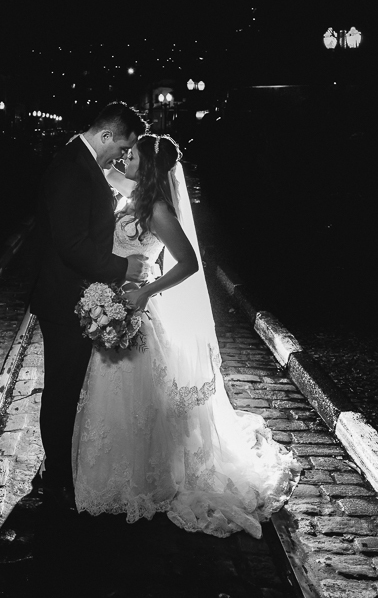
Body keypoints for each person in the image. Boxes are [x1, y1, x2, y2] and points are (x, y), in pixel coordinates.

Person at [71, 133, 301, 538]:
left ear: (150, 165)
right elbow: (101, 169)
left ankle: (144, 480)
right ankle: (106, 476)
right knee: (110, 392)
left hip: (137, 308)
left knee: (139, 397)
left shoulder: (157, 208)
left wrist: (145, 290)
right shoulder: (132, 193)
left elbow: (190, 263)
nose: (125, 156)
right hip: (114, 300)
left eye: (133, 153)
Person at [29, 102, 150, 510]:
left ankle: (64, 466)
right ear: (105, 136)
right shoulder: (70, 168)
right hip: (64, 297)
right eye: (121, 147)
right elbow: (71, 244)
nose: (120, 157)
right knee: (62, 390)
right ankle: (58, 475)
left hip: (76, 294)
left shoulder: (83, 163)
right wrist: (124, 266)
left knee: (70, 387)